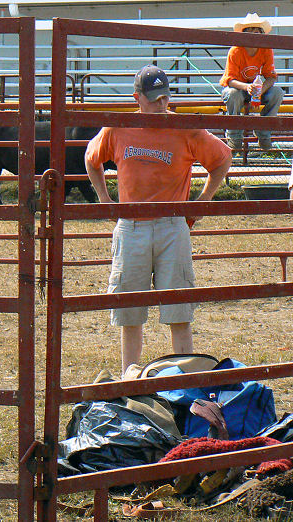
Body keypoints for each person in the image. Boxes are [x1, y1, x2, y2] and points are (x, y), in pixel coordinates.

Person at [84, 65, 232, 376]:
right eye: (153, 100)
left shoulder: (185, 128)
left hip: (171, 224)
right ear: (137, 98)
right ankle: (129, 378)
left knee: (179, 309)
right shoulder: (119, 127)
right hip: (132, 224)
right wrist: (104, 198)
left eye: (165, 98)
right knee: (130, 311)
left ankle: (187, 380)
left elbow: (222, 158)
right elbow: (91, 157)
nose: (161, 105)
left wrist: (202, 201)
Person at [220, 13, 284, 151]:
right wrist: (247, 87)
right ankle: (234, 134)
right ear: (244, 34)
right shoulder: (235, 51)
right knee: (232, 94)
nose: (255, 34)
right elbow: (230, 80)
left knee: (278, 93)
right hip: (238, 88)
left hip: (256, 89)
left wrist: (261, 89)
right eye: (251, 31)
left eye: (258, 31)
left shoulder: (266, 49)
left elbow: (271, 76)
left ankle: (263, 130)